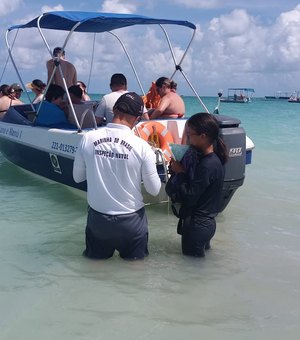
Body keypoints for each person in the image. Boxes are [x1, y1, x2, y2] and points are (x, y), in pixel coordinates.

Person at [73, 92, 161, 260]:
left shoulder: (88, 138)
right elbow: (154, 190)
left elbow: (77, 178)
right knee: (136, 273)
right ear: (137, 118)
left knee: (94, 269)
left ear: (114, 109)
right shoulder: (142, 147)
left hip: (98, 220)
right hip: (131, 222)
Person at [165, 112, 227, 257]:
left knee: (190, 270)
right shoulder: (215, 159)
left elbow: (189, 197)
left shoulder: (207, 165)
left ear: (203, 136)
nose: (187, 138)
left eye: (189, 134)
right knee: (198, 270)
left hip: (197, 226)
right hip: (207, 223)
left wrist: (179, 173)